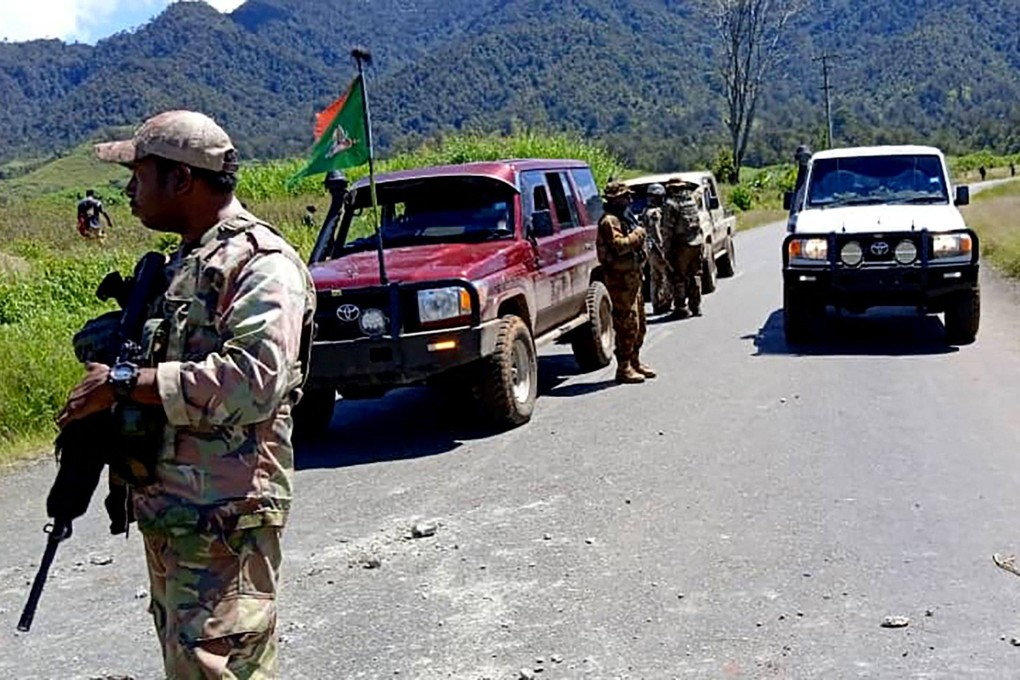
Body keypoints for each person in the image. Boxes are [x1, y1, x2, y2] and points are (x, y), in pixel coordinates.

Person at [55, 110, 316, 678]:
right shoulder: (188, 262)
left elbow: (256, 379)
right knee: (189, 663)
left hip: (226, 516)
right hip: (177, 512)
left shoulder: (260, 264)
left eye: (139, 174)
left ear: (181, 180)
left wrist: (125, 384)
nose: (128, 190)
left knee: (218, 667)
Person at [596, 181, 655, 384]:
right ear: (615, 199)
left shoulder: (624, 217)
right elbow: (619, 246)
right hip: (619, 282)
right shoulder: (609, 221)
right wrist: (637, 235)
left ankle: (635, 361)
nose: (629, 200)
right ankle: (624, 367)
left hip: (633, 278)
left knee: (639, 324)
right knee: (626, 325)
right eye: (625, 196)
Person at [662, 178, 704, 318]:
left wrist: (666, 250)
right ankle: (696, 307)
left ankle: (680, 308)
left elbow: (667, 230)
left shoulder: (671, 204)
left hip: (681, 245)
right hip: (696, 242)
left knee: (677, 276)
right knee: (695, 275)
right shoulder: (690, 201)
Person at [640, 183, 672, 315]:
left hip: (651, 249)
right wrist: (662, 251)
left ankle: (658, 303)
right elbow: (656, 233)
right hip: (656, 249)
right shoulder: (654, 213)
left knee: (655, 276)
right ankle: (662, 303)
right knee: (663, 276)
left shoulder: (646, 210)